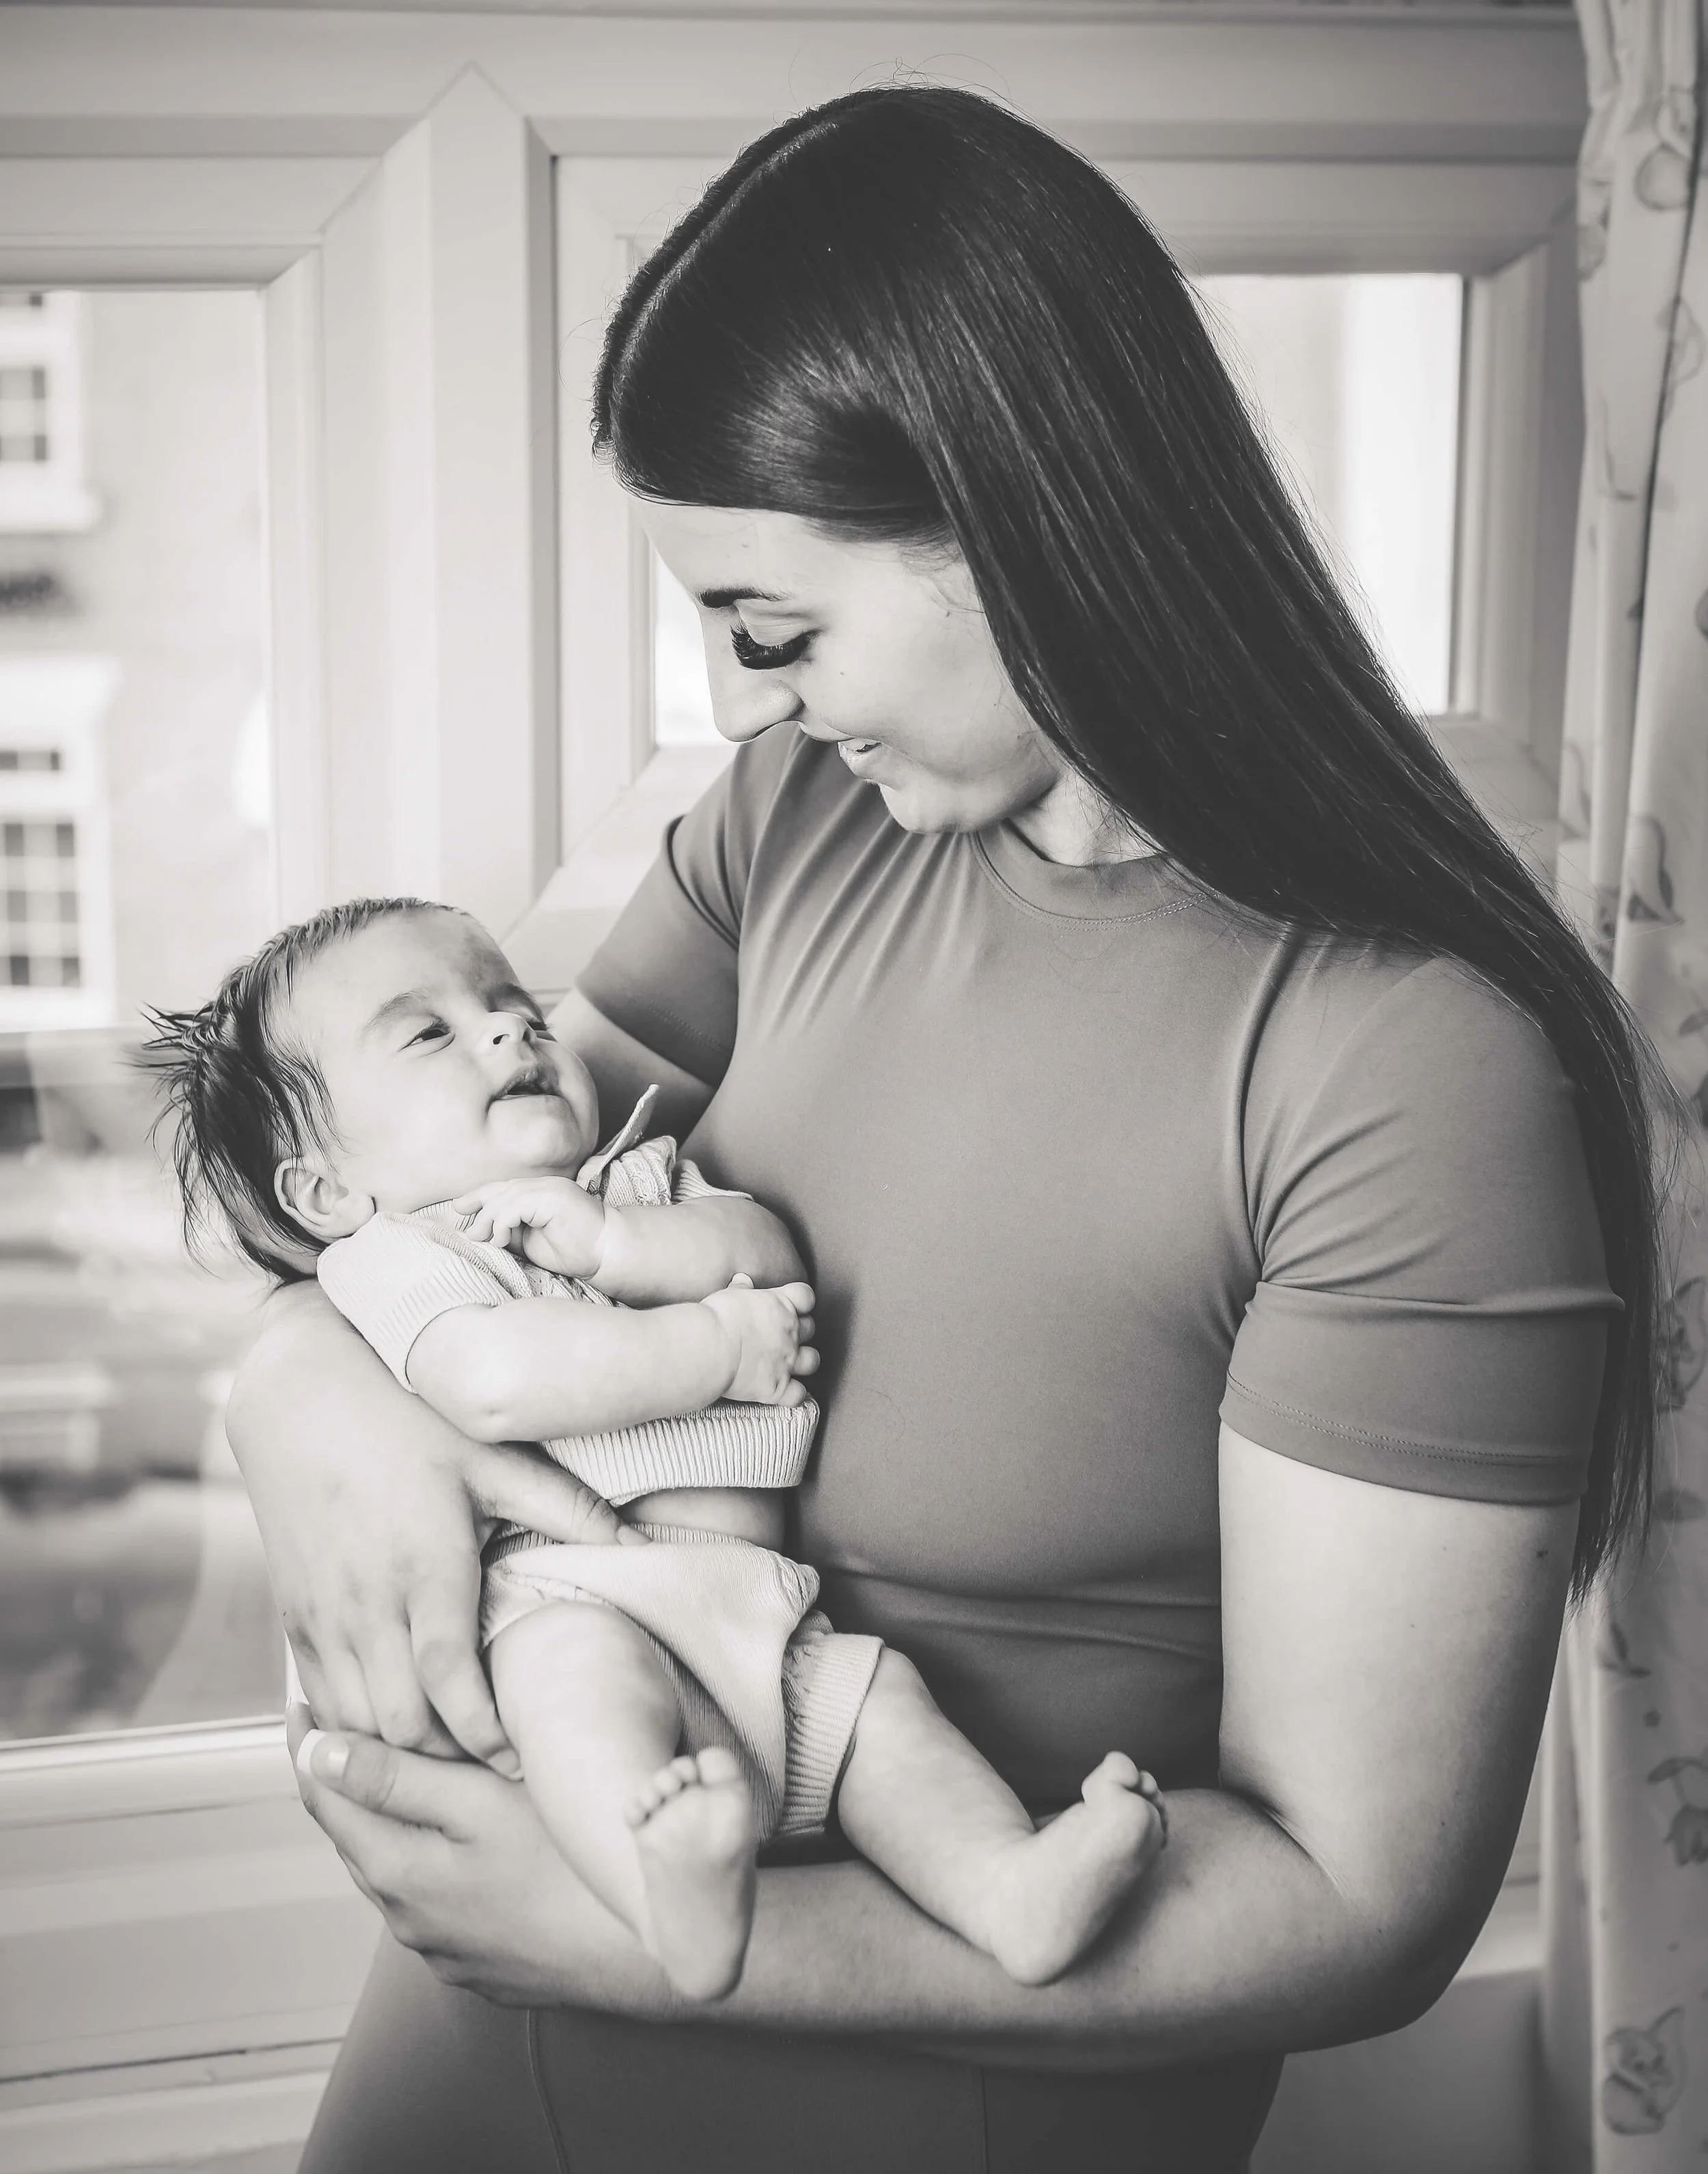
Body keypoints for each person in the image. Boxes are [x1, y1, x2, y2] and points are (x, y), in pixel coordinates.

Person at [228, 86, 1669, 2174]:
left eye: (770, 626)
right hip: (455, 2059)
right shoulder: (789, 828)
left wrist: (651, 1944)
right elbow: (437, 1173)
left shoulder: (1398, 1072)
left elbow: (1361, 1903)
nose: (729, 703)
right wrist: (297, 1378)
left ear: (1016, 521)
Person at [148, 897, 1167, 2002]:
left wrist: (627, 1243)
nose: (509, 1031)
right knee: (581, 1691)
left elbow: (768, 1246)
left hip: (768, 1618)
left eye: (511, 1005)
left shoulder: (637, 1181)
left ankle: (1005, 1888)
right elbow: (499, 1382)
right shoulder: (399, 1255)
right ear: (327, 1189)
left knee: (888, 1715)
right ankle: (669, 1901)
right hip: (569, 1597)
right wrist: (709, 1343)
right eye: (429, 1032)